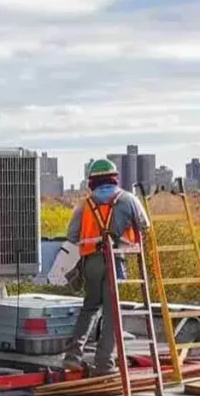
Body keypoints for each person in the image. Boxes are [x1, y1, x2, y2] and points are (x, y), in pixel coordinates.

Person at [62, 158, 150, 376]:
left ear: (92, 181)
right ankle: (104, 365)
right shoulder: (128, 199)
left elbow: (72, 236)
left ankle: (72, 356)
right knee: (112, 315)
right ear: (114, 178)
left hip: (91, 262)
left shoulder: (85, 204)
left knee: (89, 308)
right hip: (115, 261)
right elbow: (144, 226)